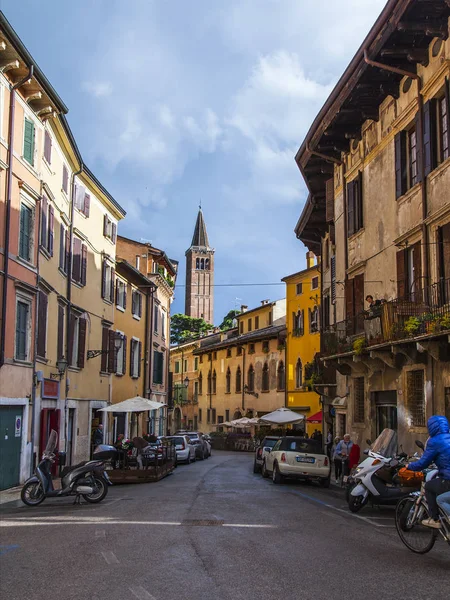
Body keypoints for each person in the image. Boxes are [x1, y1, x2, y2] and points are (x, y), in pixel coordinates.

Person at [407, 415, 450, 529]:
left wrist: (409, 466)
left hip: (448, 479)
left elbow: (423, 463)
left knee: (429, 487)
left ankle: (434, 519)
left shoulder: (434, 441)